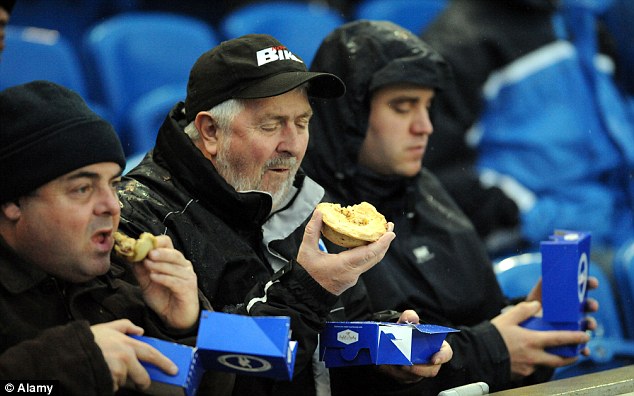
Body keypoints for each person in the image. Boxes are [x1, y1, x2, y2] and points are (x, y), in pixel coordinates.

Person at [116, 34, 451, 395]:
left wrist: (385, 357)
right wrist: (311, 290)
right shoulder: (139, 224)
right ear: (210, 131)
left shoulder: (302, 197)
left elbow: (323, 346)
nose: (292, 146)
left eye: (302, 123)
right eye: (271, 125)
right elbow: (214, 375)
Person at [303, 20, 596, 395]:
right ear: (349, 115)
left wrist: (526, 321)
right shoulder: (312, 214)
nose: (424, 126)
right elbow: (356, 365)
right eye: (402, 107)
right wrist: (497, 348)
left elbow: (474, 319)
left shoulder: (424, 186)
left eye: (427, 107)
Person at [0, 80, 202, 394]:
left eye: (114, 184)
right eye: (82, 188)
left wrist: (183, 329)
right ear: (12, 201)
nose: (112, 205)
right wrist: (74, 363)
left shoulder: (129, 277)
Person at [420, 0, 634, 262]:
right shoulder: (458, 44)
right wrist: (527, 216)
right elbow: (434, 171)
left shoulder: (581, 22)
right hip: (540, 245)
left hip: (619, 225)